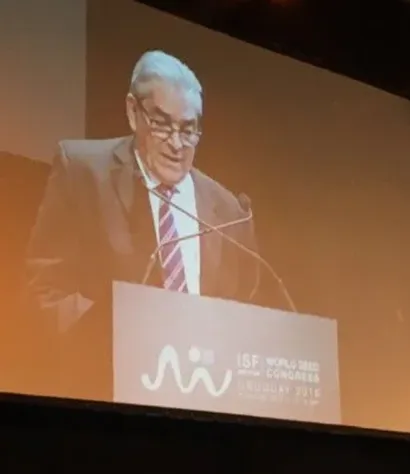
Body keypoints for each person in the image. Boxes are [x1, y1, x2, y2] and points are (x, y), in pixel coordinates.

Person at [23, 50, 258, 399]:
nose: (177, 144)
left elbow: (250, 318)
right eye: (162, 124)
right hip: (107, 400)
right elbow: (45, 290)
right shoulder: (84, 171)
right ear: (134, 113)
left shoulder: (228, 208)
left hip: (210, 404)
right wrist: (110, 345)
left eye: (188, 129)